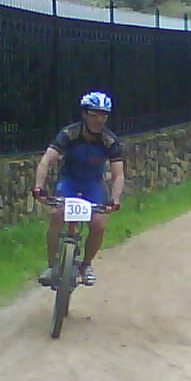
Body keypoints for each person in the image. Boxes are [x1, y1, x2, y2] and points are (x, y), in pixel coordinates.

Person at [32, 91, 125, 286]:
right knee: (57, 215)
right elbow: (46, 160)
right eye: (93, 114)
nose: (98, 120)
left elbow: (118, 174)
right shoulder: (69, 134)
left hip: (93, 185)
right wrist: (39, 187)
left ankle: (86, 265)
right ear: (84, 114)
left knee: (99, 224)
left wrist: (115, 199)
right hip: (70, 181)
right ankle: (51, 266)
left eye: (103, 116)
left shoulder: (109, 140)